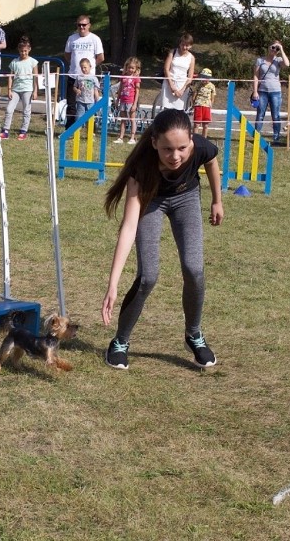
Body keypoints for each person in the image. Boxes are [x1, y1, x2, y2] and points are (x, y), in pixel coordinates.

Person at [101, 109, 223, 370]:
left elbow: (212, 161)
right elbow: (129, 226)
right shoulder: (141, 167)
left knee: (194, 269)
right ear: (155, 143)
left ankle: (194, 335)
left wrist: (217, 200)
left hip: (186, 198)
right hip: (151, 200)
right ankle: (120, 342)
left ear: (191, 140)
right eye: (167, 149)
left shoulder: (199, 147)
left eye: (182, 148)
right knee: (148, 277)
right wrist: (113, 284)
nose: (176, 156)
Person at [63, 15, 104, 127]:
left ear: (89, 25)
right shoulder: (72, 38)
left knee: (90, 105)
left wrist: (90, 68)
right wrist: (74, 65)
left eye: (84, 25)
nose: (81, 27)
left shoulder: (95, 39)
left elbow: (100, 57)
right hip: (73, 76)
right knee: (71, 105)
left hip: (89, 79)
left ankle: (92, 131)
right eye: (79, 25)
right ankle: (70, 129)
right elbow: (67, 54)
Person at [252, 39, 290, 144]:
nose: (274, 50)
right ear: (269, 47)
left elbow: (287, 64)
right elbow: (256, 76)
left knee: (276, 115)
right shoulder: (260, 60)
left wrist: (281, 49)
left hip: (276, 91)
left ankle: (276, 138)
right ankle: (256, 137)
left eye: (276, 48)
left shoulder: (278, 60)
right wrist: (255, 91)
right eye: (273, 47)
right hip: (262, 90)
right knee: (260, 114)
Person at [0, 38, 38, 140]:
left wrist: (35, 90)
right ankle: (5, 130)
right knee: (9, 109)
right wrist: (9, 89)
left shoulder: (33, 62)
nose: (23, 53)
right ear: (18, 50)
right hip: (16, 89)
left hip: (27, 89)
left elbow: (35, 77)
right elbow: (11, 76)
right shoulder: (14, 62)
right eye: (21, 51)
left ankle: (23, 130)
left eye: (25, 51)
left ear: (29, 50)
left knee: (26, 110)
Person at [160, 33, 195, 111]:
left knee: (179, 112)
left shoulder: (191, 58)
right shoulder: (173, 52)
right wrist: (172, 86)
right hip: (169, 84)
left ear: (191, 46)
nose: (184, 47)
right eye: (183, 44)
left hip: (182, 86)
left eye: (187, 45)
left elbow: (190, 77)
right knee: (167, 111)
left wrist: (182, 90)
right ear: (180, 43)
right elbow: (166, 69)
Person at [114, 56, 141, 144]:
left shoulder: (136, 78)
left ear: (136, 68)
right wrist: (117, 100)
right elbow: (120, 88)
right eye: (129, 67)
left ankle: (132, 137)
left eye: (132, 68)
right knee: (123, 119)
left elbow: (137, 91)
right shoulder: (123, 77)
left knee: (132, 119)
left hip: (131, 101)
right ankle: (121, 137)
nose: (130, 69)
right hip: (123, 100)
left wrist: (135, 104)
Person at [192, 67, 216, 138]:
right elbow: (194, 93)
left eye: (206, 78)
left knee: (205, 124)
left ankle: (204, 139)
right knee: (196, 124)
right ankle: (195, 138)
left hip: (207, 106)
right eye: (203, 77)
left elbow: (213, 96)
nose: (204, 79)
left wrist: (211, 103)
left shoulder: (212, 86)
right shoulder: (198, 84)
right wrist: (193, 102)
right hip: (198, 105)